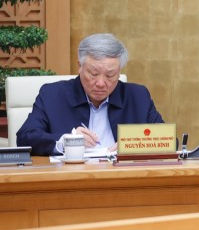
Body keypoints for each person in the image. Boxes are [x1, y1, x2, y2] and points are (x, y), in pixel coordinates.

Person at [17, 33, 164, 156]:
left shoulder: (137, 96)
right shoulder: (53, 95)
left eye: (110, 75)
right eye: (93, 74)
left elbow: (168, 140)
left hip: (122, 178)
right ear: (79, 66)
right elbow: (25, 138)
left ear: (119, 72)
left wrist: (134, 145)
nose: (101, 83)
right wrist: (65, 142)